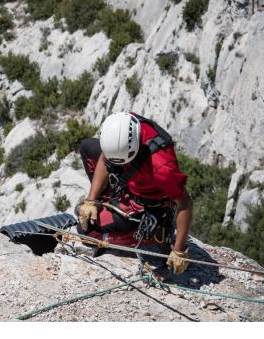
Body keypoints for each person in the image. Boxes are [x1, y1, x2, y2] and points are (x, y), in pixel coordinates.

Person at [76, 111, 193, 274]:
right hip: (129, 180)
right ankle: (107, 207)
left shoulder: (162, 169)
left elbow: (185, 203)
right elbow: (105, 159)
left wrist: (179, 249)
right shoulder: (124, 125)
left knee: (86, 232)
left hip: (145, 204)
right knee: (87, 147)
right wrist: (91, 201)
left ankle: (150, 236)